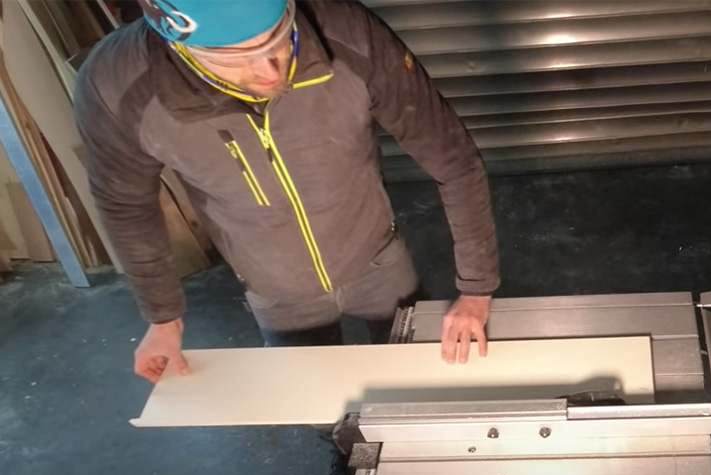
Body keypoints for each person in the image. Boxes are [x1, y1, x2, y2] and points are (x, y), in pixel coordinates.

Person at [74, 0, 500, 382]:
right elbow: (126, 204)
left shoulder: (345, 32)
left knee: (418, 378)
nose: (271, 72)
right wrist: (163, 318)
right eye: (236, 57)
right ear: (179, 44)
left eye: (279, 39)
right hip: (275, 288)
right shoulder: (116, 84)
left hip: (377, 258)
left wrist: (476, 290)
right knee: (316, 403)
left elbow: (454, 160)